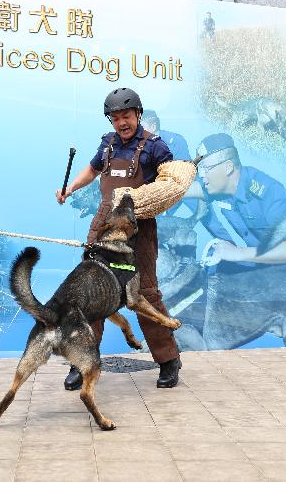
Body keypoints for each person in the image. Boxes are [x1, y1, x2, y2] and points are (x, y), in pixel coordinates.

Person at [56, 88, 181, 389]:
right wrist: (71, 188)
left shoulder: (155, 147)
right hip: (103, 224)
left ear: (137, 114)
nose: (121, 122)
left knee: (146, 294)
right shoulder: (108, 144)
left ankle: (168, 360)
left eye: (126, 115)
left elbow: (169, 181)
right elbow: (92, 169)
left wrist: (163, 191)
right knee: (89, 292)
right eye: (115, 118)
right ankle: (82, 361)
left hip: (139, 228)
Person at [189, 133, 286, 348]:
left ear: (228, 167)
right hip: (249, 281)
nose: (202, 176)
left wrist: (238, 253)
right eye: (199, 170)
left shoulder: (267, 192)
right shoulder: (213, 189)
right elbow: (179, 192)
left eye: (206, 168)